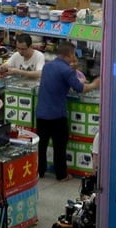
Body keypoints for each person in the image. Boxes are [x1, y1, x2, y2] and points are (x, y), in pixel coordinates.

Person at [36, 41, 100, 180]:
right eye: (74, 54)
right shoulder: (66, 70)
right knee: (60, 146)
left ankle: (39, 172)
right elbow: (80, 88)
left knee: (42, 145)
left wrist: (74, 70)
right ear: (70, 54)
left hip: (41, 112)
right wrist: (95, 84)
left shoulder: (48, 66)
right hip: (57, 115)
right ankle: (61, 175)